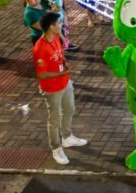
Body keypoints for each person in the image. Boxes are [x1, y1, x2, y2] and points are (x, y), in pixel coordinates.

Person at [33, 12, 87, 165]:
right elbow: (41, 75)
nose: (62, 24)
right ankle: (56, 148)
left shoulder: (55, 38)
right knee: (54, 118)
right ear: (51, 27)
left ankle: (67, 137)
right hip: (52, 88)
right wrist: (65, 72)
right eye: (59, 23)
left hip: (65, 82)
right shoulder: (39, 48)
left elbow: (60, 56)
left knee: (69, 109)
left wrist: (66, 65)